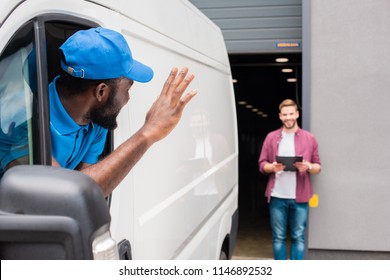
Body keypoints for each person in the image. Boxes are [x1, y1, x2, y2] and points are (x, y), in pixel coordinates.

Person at [0, 27, 196, 196]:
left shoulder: (96, 122)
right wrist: (147, 133)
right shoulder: (23, 119)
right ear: (101, 91)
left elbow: (90, 178)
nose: (128, 98)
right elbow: (64, 194)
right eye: (127, 89)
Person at [258, 99, 321, 260]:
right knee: (278, 237)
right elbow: (261, 164)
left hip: (300, 197)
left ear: (297, 114)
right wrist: (271, 167)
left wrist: (308, 166)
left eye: (291, 114)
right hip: (277, 196)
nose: (288, 118)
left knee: (298, 237)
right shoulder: (271, 137)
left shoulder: (309, 138)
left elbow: (318, 167)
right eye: (285, 115)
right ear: (280, 116)